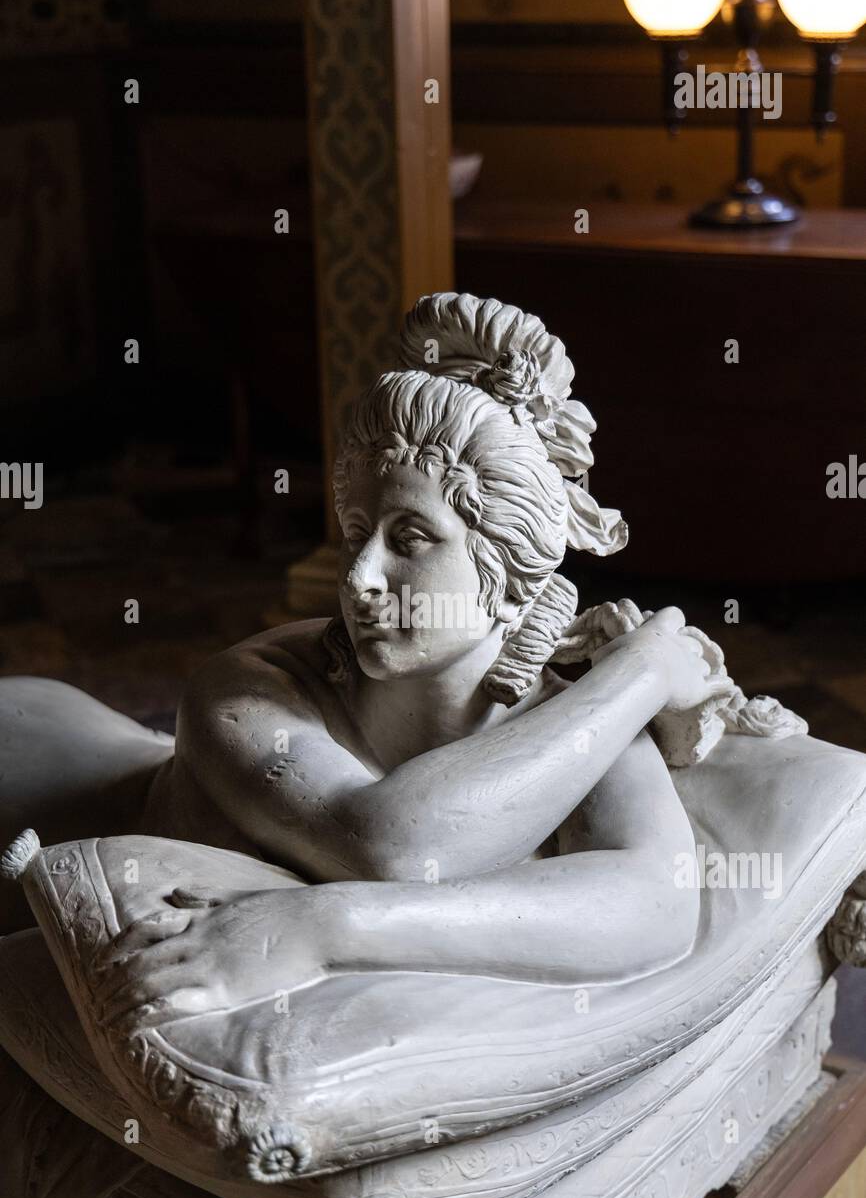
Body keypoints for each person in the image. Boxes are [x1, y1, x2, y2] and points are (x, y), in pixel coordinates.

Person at [88, 294, 732, 1030]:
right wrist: (644, 674)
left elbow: (654, 899)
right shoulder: (250, 687)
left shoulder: (572, 720)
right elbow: (391, 844)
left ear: (507, 566)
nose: (359, 576)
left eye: (410, 538)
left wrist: (324, 928)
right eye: (356, 530)